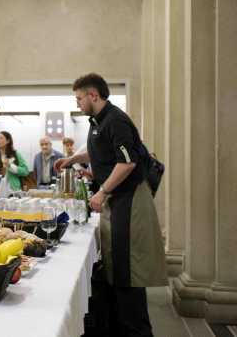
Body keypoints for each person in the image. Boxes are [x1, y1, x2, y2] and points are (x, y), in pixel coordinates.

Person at [54, 73, 166, 337]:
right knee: (116, 270)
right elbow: (99, 152)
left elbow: (127, 162)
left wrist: (102, 191)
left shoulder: (115, 120)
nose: (77, 103)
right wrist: (72, 159)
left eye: (80, 98)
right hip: (117, 202)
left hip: (129, 202)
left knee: (128, 273)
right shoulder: (98, 122)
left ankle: (137, 330)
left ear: (94, 95)